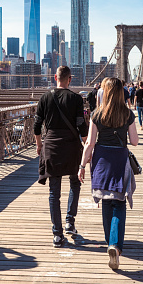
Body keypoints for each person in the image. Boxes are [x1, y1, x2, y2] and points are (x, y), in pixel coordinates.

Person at [78, 77, 139, 270]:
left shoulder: (97, 114)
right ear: (121, 92)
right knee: (119, 203)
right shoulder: (127, 114)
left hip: (102, 161)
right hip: (120, 160)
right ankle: (114, 245)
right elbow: (135, 141)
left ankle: (110, 243)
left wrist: (81, 166)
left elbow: (89, 143)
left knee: (106, 201)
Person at [34, 66, 88, 248]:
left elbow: (36, 125)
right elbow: (81, 126)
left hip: (51, 148)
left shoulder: (45, 97)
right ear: (70, 79)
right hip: (72, 147)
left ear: (55, 77)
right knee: (75, 183)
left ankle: (57, 234)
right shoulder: (76, 99)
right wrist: (88, 146)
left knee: (53, 192)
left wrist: (39, 144)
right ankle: (69, 223)